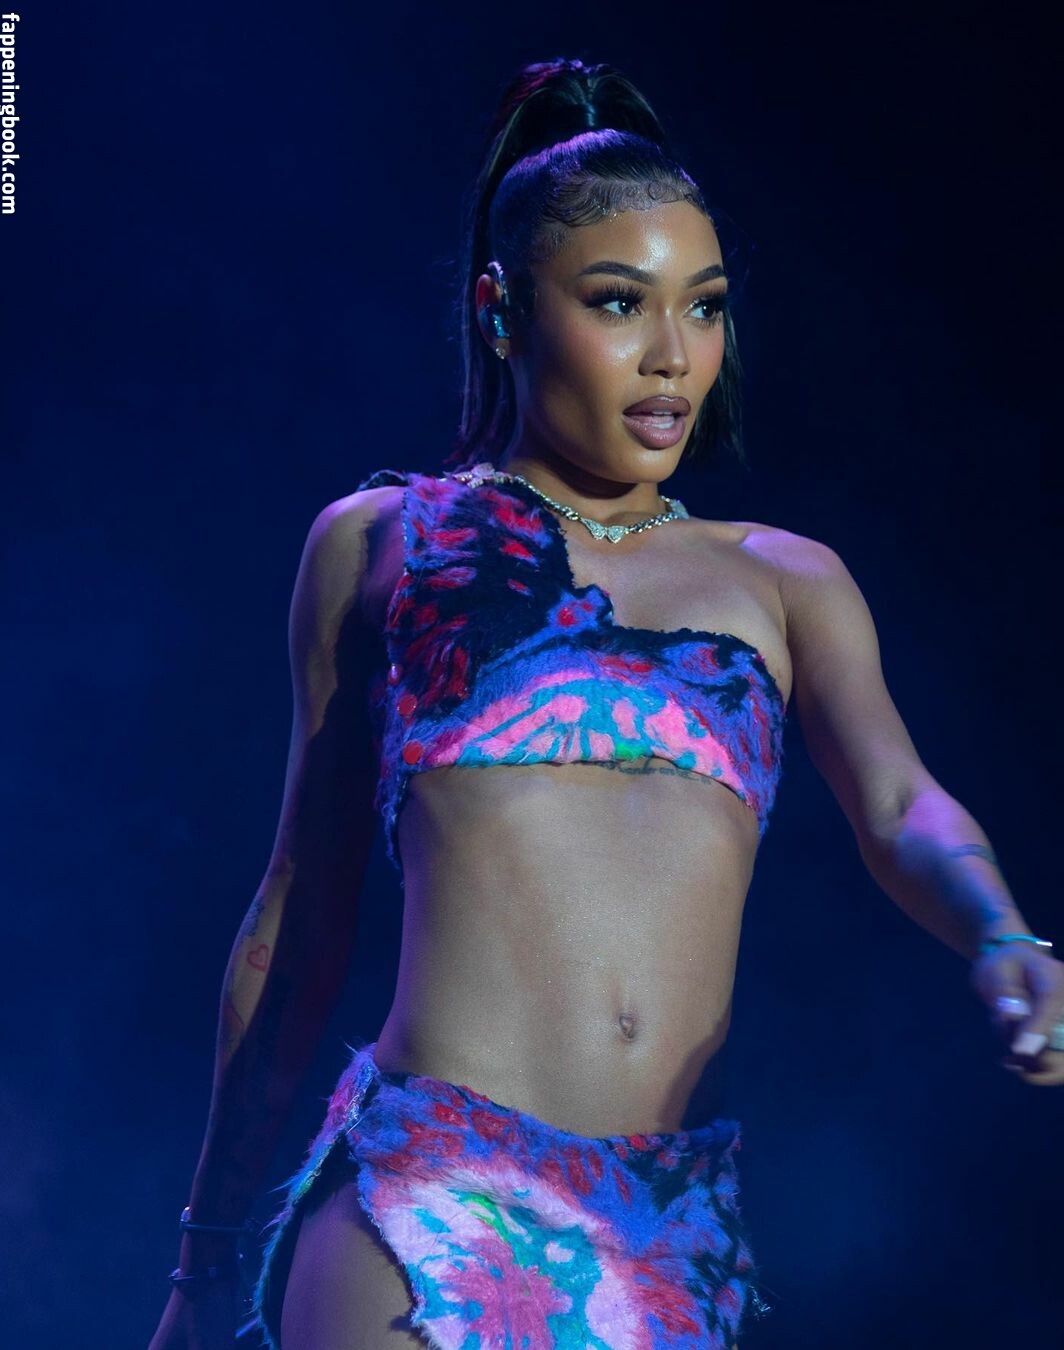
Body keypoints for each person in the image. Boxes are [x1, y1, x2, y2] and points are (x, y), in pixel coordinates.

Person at [148, 57, 1064, 1350]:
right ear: (502, 310)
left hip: (665, 1233)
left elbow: (900, 802)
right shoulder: (383, 543)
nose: (673, 356)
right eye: (619, 302)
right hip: (428, 1189)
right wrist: (205, 1268)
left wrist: (1000, 930)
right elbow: (299, 915)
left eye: (706, 307)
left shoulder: (784, 579)